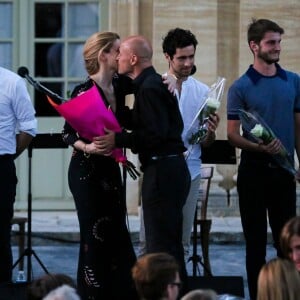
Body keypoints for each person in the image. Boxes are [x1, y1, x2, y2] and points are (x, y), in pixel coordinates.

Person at [95, 35, 191, 293]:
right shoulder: (150, 83)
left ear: (133, 58)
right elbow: (144, 121)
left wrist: (118, 138)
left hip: (162, 172)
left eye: (121, 54)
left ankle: (170, 294)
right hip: (168, 170)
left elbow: (153, 134)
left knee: (162, 246)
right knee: (167, 242)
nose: (118, 58)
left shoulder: (149, 88)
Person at [226, 18, 300, 300]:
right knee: (255, 244)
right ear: (254, 46)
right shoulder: (240, 87)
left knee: (288, 242)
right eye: (271, 43)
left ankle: (289, 294)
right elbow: (233, 135)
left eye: (279, 42)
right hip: (253, 173)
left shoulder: (293, 81)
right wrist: (260, 148)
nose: (277, 48)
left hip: (283, 173)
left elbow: (298, 127)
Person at [62, 31, 138, 300]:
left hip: (109, 169)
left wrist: (171, 81)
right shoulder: (83, 91)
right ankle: (92, 294)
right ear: (104, 54)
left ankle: (122, 292)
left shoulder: (119, 83)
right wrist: (89, 147)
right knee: (94, 236)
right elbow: (67, 134)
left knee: (117, 231)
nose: (122, 55)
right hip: (86, 172)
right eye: (117, 50)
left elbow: (146, 82)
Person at [0, 66, 37, 284]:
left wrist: (8, 157)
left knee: (0, 237)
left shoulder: (12, 82)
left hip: (1, 167)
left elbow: (28, 127)